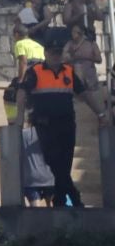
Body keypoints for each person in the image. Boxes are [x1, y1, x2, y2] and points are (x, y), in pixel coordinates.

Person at [18, 38, 90, 207]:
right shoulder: (35, 71)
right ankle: (73, 198)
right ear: (45, 53)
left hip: (66, 125)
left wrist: (101, 113)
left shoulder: (69, 71)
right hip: (46, 126)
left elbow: (84, 95)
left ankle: (60, 200)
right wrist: (19, 119)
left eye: (58, 52)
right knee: (54, 162)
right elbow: (22, 92)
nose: (56, 56)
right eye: (52, 52)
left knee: (64, 165)